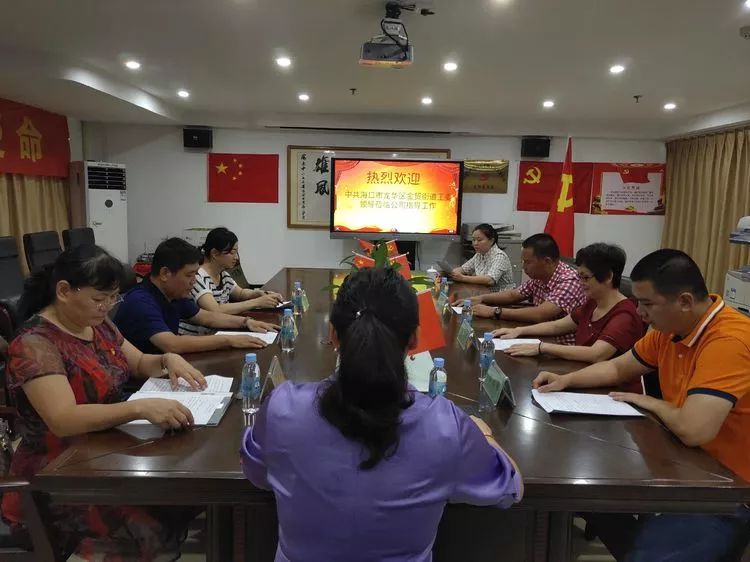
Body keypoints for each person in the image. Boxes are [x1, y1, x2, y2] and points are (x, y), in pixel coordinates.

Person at [240, 267, 523, 562]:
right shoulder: (445, 426)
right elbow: (509, 488)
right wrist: (485, 435)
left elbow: (256, 471)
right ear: (414, 339)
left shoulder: (283, 408)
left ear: (333, 335)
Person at [533, 249, 750, 562]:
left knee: (643, 553)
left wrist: (650, 402)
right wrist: (566, 380)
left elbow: (694, 429)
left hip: (728, 490)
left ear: (685, 301)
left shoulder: (728, 341)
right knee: (583, 495)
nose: (640, 313)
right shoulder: (670, 330)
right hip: (685, 465)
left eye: (647, 304)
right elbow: (618, 368)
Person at [1, 245, 204, 560]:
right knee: (149, 520)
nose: (107, 307)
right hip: (58, 473)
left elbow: (139, 363)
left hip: (104, 449)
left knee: (180, 490)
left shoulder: (97, 324)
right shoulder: (34, 344)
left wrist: (167, 359)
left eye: (113, 298)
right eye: (99, 299)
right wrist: (137, 408)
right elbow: (63, 419)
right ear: (64, 291)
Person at [494, 243, 645, 392]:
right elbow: (557, 326)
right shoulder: (593, 303)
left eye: (585, 278)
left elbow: (596, 354)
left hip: (612, 391)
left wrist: (542, 348)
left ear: (608, 277)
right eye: (579, 276)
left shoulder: (624, 314)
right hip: (582, 377)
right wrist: (519, 331)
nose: (580, 283)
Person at [114, 238, 278, 354]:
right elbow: (172, 344)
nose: (194, 281)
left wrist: (246, 322)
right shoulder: (140, 301)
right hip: (142, 381)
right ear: (165, 273)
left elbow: (207, 317)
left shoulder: (172, 294)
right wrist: (229, 340)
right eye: (189, 275)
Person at [459, 233, 586, 344]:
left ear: (547, 261)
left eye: (528, 262)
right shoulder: (540, 276)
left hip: (560, 344)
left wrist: (494, 311)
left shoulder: (569, 281)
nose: (523, 267)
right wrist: (481, 298)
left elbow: (540, 314)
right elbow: (514, 295)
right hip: (539, 335)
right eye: (523, 262)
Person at [179, 227, 284, 335]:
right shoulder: (198, 277)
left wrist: (258, 293)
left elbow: (240, 293)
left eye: (237, 252)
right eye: (232, 253)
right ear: (214, 253)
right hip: (197, 337)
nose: (236, 257)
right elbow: (215, 310)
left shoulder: (223, 274)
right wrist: (257, 302)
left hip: (219, 330)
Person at [450, 223, 515, 291]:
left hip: (500, 295)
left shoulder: (499, 256)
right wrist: (453, 273)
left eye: (479, 240)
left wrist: (462, 278)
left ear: (491, 241)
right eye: (473, 240)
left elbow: (490, 280)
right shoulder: (479, 254)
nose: (475, 243)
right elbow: (463, 269)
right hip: (483, 292)